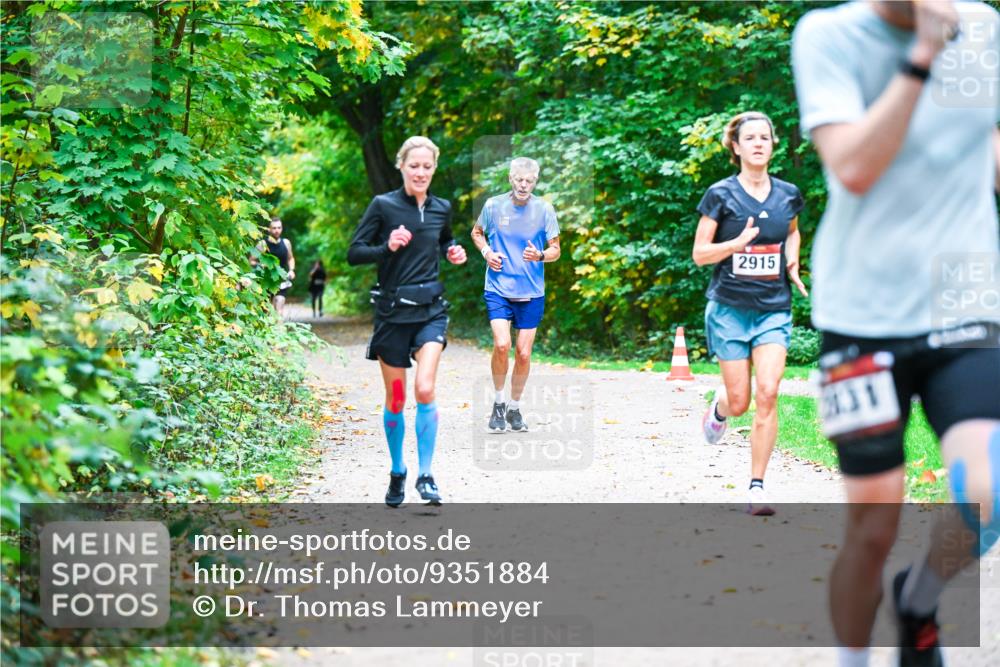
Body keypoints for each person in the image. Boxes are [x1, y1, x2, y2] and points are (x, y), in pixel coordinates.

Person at [792, 1, 1000, 665]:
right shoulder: (829, 35)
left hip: (964, 301)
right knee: (872, 528)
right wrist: (922, 58)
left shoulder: (987, 28)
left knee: (988, 490)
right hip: (862, 315)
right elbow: (853, 166)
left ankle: (919, 596)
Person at [692, 111, 809, 516]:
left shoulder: (788, 194)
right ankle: (721, 406)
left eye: (765, 137)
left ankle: (757, 485)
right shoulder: (720, 195)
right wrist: (736, 243)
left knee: (769, 392)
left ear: (773, 144)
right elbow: (700, 254)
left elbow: (792, 230)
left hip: (773, 308)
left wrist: (791, 262)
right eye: (750, 138)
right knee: (740, 401)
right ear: (736, 147)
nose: (759, 143)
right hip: (728, 309)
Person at [347, 136, 467, 507]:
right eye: (413, 165)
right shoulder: (382, 206)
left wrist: (453, 251)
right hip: (392, 312)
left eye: (427, 166)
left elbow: (444, 240)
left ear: (434, 169)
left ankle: (426, 475)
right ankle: (398, 470)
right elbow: (354, 253)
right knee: (397, 398)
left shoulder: (441, 207)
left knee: (426, 389)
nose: (420, 172)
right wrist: (388, 247)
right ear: (401, 166)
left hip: (430, 309)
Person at [471, 157, 561, 433]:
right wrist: (487, 253)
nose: (524, 185)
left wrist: (541, 255)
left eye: (529, 181)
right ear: (510, 178)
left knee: (523, 353)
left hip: (531, 291)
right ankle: (498, 403)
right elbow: (477, 233)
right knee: (501, 345)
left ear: (535, 181)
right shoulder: (493, 206)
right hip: (498, 288)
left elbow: (556, 249)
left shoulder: (544, 209)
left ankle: (514, 407)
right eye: (519, 179)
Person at [250, 216, 295, 318]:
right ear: (269, 229)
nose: (276, 230)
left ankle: (279, 332)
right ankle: (268, 332)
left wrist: (291, 270)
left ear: (282, 228)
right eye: (274, 228)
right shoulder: (262, 244)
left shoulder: (286, 243)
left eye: (279, 228)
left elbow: (290, 258)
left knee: (279, 308)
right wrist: (260, 265)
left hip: (281, 280)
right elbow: (252, 261)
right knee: (266, 312)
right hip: (265, 282)